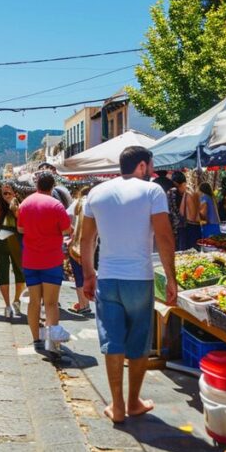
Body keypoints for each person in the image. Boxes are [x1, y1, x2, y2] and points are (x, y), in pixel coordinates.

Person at [81, 145, 175, 424]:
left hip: (108, 277)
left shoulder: (96, 192)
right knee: (138, 341)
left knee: (112, 340)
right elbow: (165, 237)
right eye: (151, 166)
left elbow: (86, 240)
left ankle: (117, 405)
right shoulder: (152, 192)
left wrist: (88, 274)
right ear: (143, 166)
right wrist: (171, 278)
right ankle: (134, 402)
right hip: (139, 278)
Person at [17, 171, 72, 354]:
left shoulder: (25, 203)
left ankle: (36, 340)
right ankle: (52, 343)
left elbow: (20, 228)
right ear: (52, 186)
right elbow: (66, 230)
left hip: (31, 259)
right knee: (51, 303)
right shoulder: (56, 205)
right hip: (51, 259)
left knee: (34, 302)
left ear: (36, 185)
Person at [0, 181, 24, 319]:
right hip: (1, 239)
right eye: (4, 193)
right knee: (3, 272)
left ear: (15, 192)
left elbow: (21, 221)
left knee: (19, 271)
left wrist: (14, 207)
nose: (6, 195)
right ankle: (7, 305)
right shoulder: (0, 205)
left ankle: (16, 301)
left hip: (15, 239)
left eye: (9, 192)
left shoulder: (17, 205)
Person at [67, 185, 94, 316]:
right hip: (95, 245)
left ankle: (83, 304)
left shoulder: (78, 202)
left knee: (79, 275)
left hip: (78, 245)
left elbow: (67, 217)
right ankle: (86, 303)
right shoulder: (95, 202)